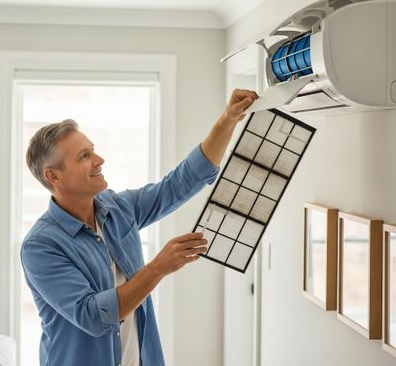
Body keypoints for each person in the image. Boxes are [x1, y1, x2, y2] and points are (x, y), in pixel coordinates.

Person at [21, 89, 258, 366]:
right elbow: (94, 317)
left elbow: (180, 183)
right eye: (84, 156)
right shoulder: (41, 246)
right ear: (53, 176)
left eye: (93, 150)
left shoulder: (118, 209)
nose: (99, 160)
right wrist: (159, 267)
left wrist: (228, 120)